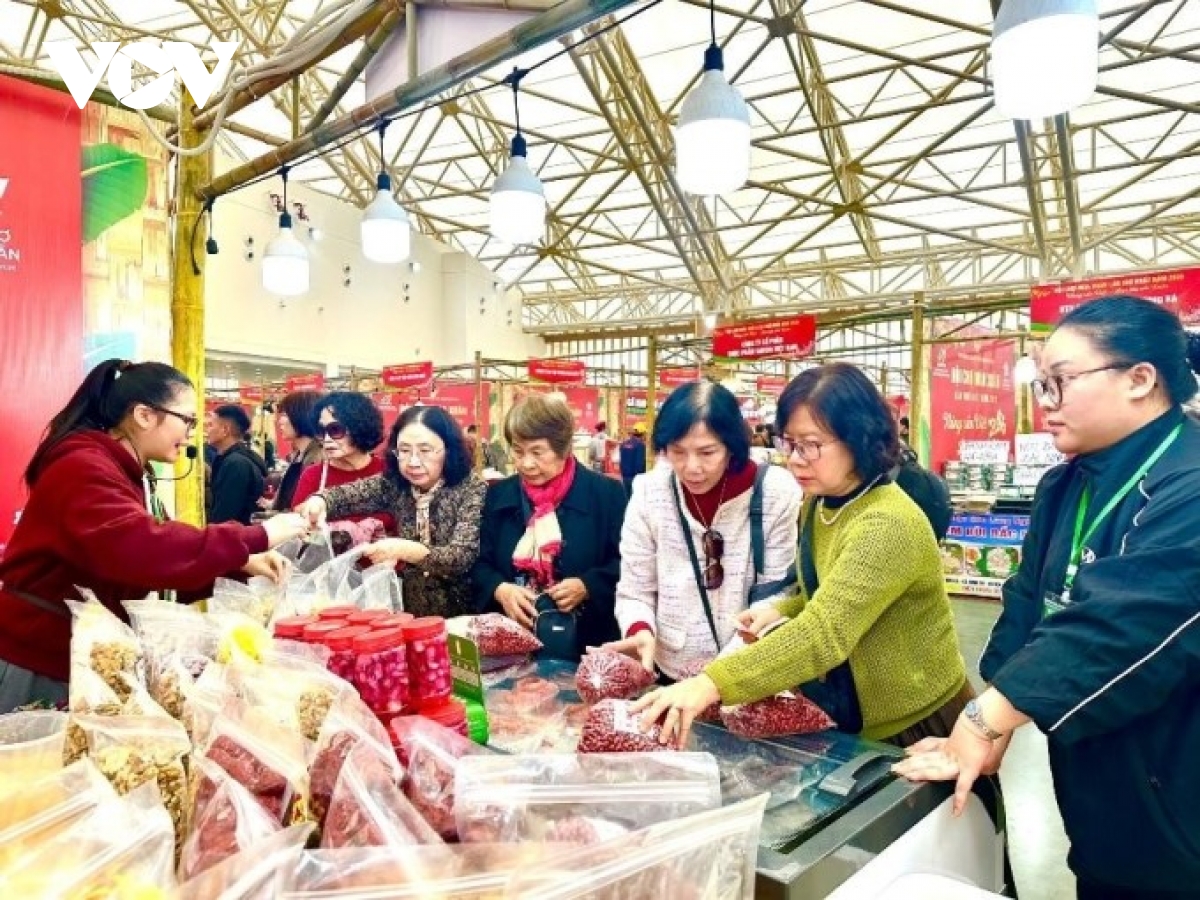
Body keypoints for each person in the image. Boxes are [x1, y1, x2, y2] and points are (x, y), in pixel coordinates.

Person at [896, 296, 1200, 899]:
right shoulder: (1065, 483)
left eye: (1060, 381)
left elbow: (1121, 625)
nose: (1046, 402)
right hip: (1096, 782)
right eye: (1041, 385)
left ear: (1140, 379)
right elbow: (1027, 603)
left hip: (1178, 779)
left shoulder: (1188, 484)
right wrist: (994, 722)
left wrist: (985, 720)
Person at [631, 365, 970, 750]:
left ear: (858, 438)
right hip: (852, 712)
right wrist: (783, 610)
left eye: (810, 445)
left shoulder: (885, 524)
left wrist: (711, 683)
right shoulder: (821, 504)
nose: (794, 459)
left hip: (914, 722)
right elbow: (827, 592)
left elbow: (824, 633)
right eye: (788, 443)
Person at [0, 359, 310, 713]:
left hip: (77, 654)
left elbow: (156, 557)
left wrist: (240, 563)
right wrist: (259, 535)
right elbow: (143, 549)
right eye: (187, 420)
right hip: (35, 657)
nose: (192, 433)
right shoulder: (83, 466)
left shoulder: (124, 470)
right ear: (144, 415)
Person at [604, 381, 802, 684]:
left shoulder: (775, 492)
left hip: (748, 672)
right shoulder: (649, 493)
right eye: (677, 452)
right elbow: (635, 589)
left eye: (707, 452)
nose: (691, 467)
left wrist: (717, 679)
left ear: (731, 446)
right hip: (671, 667)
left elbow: (777, 592)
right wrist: (639, 629)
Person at [471, 394, 627, 659]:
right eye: (518, 451)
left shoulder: (606, 494)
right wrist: (500, 588)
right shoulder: (499, 496)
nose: (525, 463)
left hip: (587, 646)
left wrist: (588, 585)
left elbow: (628, 565)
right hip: (513, 644)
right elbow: (478, 563)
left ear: (563, 449)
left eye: (537, 452)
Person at [299, 406, 487, 619]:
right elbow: (348, 495)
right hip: (414, 615)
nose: (413, 462)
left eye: (425, 451)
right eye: (404, 451)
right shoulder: (396, 484)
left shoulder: (470, 487)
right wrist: (320, 500)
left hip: (466, 616)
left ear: (448, 450)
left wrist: (404, 549)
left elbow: (461, 557)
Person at [291, 392, 395, 534]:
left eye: (335, 430)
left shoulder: (388, 471)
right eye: (321, 431)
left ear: (358, 428)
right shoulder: (313, 475)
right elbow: (298, 528)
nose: (327, 439)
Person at [205, 404, 267, 525]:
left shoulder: (235, 464)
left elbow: (225, 516)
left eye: (210, 425)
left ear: (225, 430)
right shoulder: (235, 459)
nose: (207, 430)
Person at [268, 390, 327, 513]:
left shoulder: (318, 457)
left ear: (302, 415)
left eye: (284, 415)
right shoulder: (301, 454)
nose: (279, 421)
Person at [618, 423, 648, 498]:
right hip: (636, 478)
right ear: (642, 434)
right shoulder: (640, 445)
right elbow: (639, 464)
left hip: (625, 477)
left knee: (627, 498)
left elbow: (621, 461)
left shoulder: (623, 444)